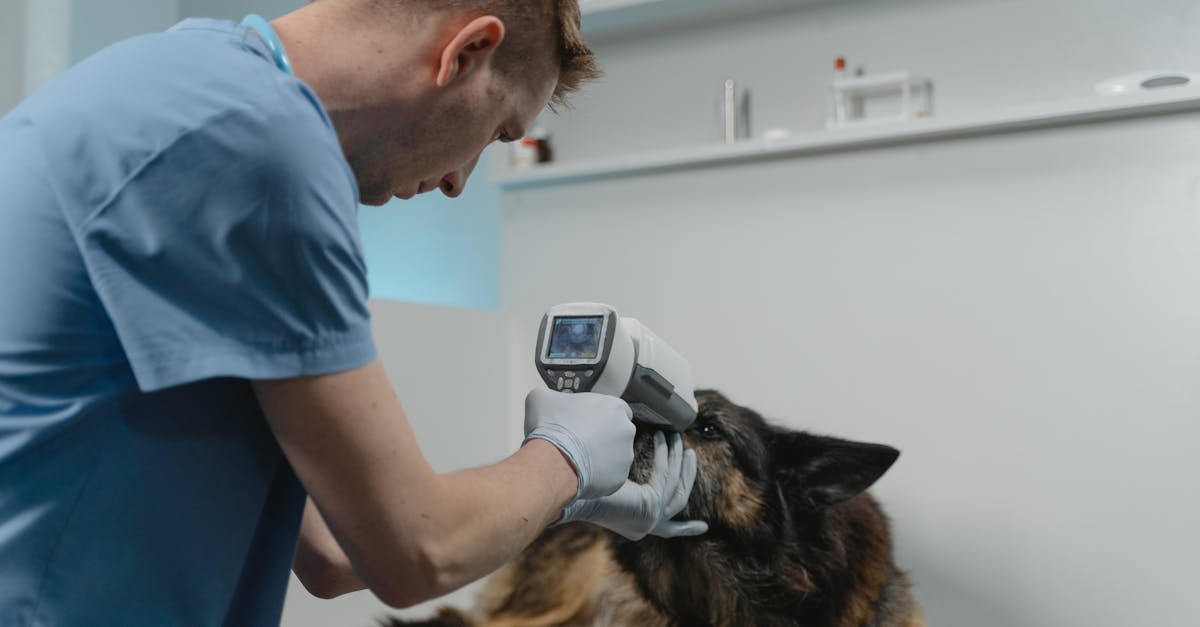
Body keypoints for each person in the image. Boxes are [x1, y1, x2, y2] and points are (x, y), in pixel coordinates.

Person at [0, 1, 706, 625]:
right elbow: (416, 550)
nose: (462, 183)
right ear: (467, 51)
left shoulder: (179, 81)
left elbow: (336, 550)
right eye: (497, 132)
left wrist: (559, 501)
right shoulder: (260, 146)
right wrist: (564, 461)